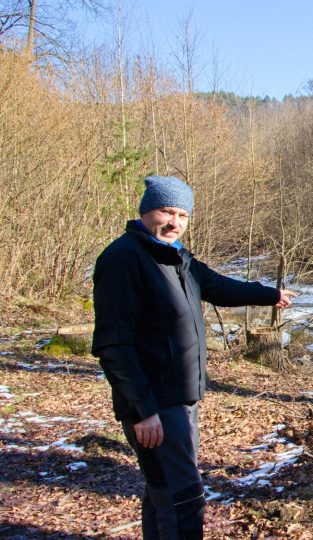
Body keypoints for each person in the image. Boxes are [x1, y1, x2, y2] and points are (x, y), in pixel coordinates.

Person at [92, 175, 296, 539]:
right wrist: (142, 410)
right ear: (145, 211)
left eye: (182, 215)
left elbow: (217, 286)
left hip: (180, 398)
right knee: (184, 499)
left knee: (164, 493)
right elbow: (113, 345)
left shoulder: (176, 257)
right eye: (166, 211)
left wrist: (270, 295)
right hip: (155, 403)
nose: (174, 222)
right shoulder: (124, 259)